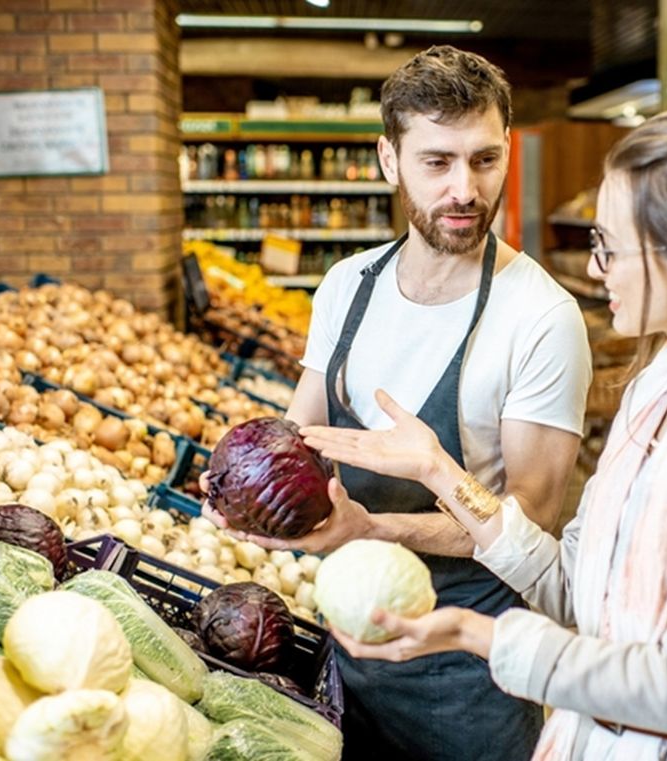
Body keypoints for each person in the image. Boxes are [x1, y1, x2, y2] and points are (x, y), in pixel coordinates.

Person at [300, 109, 667, 761]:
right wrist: (440, 472)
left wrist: (477, 633)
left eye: (608, 246)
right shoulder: (657, 388)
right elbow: (575, 591)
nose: (596, 269)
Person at [206, 46, 592, 760]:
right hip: (347, 647)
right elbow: (303, 431)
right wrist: (243, 484)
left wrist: (371, 526)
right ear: (389, 160)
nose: (464, 190)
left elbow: (530, 521)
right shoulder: (347, 286)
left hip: (471, 677)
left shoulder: (540, 316)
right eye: (436, 162)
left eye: (483, 160)